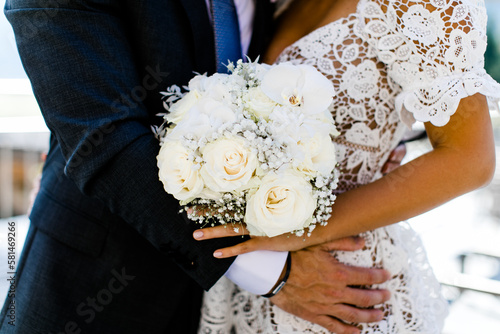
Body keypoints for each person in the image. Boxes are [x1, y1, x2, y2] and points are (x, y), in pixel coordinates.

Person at [1, 1, 393, 333]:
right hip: (101, 286)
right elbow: (103, 142)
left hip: (264, 304)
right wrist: (273, 271)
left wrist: (373, 142)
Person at [195, 0, 500, 332]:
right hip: (254, 283)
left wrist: (302, 231)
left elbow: (470, 160)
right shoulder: (280, 4)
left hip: (345, 282)